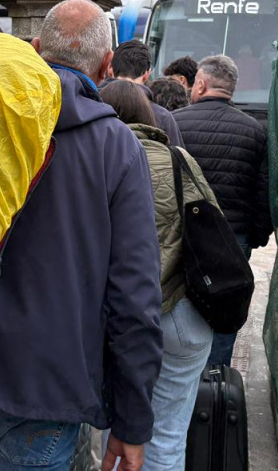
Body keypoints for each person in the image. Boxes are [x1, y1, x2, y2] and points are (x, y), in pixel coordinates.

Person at [0, 0, 162, 471]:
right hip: (54, 384)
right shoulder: (118, 149)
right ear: (107, 65)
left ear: (34, 49)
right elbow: (135, 298)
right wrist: (133, 420)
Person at [98, 81, 217, 471]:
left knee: (114, 430)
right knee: (166, 437)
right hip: (182, 314)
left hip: (121, 318)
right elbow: (211, 224)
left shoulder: (95, 157)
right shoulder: (178, 158)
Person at [171, 55, 271, 368]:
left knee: (182, 307)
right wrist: (253, 237)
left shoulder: (176, 122)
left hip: (184, 238)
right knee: (226, 308)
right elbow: (264, 193)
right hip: (233, 239)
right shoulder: (255, 130)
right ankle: (215, 386)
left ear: (199, 84)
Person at [107, 40, 185, 147]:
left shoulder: (92, 105)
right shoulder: (163, 116)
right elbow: (176, 159)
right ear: (147, 74)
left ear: (110, 70)